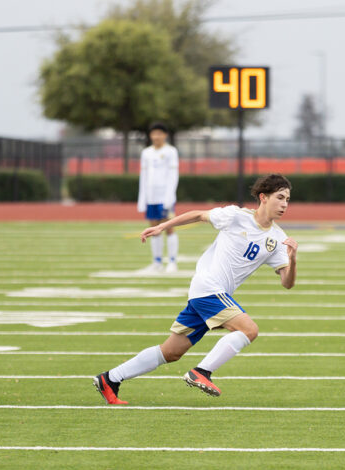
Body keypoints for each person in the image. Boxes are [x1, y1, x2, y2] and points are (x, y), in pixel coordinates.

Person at [94, 174, 297, 404]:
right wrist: (163, 226)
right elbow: (199, 215)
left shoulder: (279, 239)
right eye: (280, 198)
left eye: (287, 200)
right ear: (263, 197)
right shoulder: (236, 216)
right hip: (208, 287)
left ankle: (110, 379)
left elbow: (287, 283)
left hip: (210, 294)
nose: (284, 204)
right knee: (249, 329)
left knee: (170, 352)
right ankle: (202, 372)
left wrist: (293, 259)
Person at [137, 122, 180, 273]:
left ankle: (172, 262)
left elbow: (173, 175)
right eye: (154, 133)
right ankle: (157, 262)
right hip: (151, 197)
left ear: (165, 135)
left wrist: (169, 197)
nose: (156, 136)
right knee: (153, 228)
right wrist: (142, 199)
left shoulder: (170, 151)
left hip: (165, 197)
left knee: (168, 227)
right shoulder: (146, 153)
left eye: (159, 133)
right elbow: (143, 176)